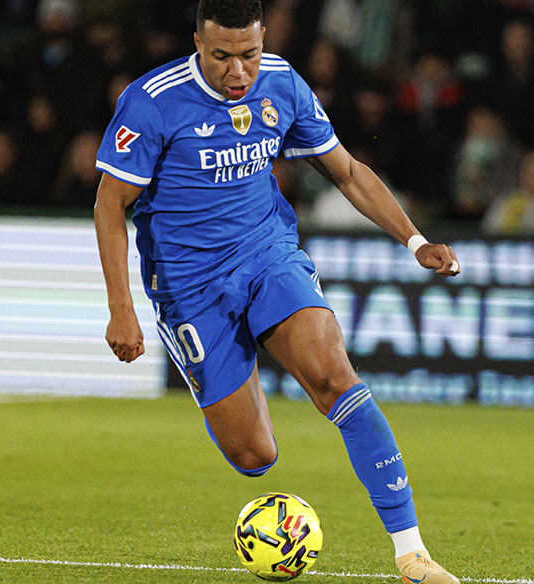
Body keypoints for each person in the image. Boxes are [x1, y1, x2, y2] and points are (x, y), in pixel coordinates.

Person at [93, 2, 461, 583]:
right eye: (221, 57)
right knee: (254, 457)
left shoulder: (283, 84)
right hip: (189, 287)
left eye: (249, 55)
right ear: (197, 43)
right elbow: (110, 204)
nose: (238, 72)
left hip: (268, 255)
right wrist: (122, 310)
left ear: (263, 41)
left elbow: (345, 171)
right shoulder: (154, 101)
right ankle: (235, 365)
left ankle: (411, 551)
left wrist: (414, 240)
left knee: (334, 375)